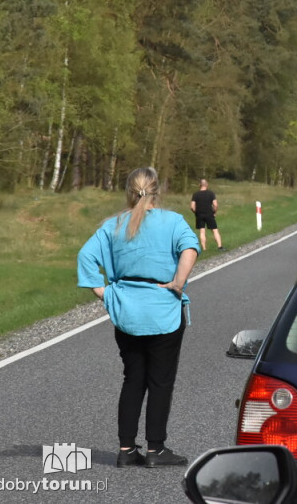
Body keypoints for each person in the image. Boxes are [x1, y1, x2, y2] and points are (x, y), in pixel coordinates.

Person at [77, 167, 199, 469]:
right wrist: (178, 283)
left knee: (133, 380)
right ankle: (156, 450)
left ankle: (126, 449)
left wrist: (104, 293)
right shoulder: (173, 221)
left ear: (129, 191)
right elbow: (190, 248)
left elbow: (85, 256)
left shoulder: (112, 225)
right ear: (157, 190)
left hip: (126, 309)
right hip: (163, 309)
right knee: (160, 381)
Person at [190, 178, 224, 251]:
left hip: (199, 214)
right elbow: (215, 205)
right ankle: (220, 246)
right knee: (215, 230)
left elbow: (192, 206)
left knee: (202, 231)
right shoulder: (211, 193)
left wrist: (196, 212)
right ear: (207, 185)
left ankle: (204, 248)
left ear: (199, 185)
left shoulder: (195, 194)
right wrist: (214, 212)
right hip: (209, 214)